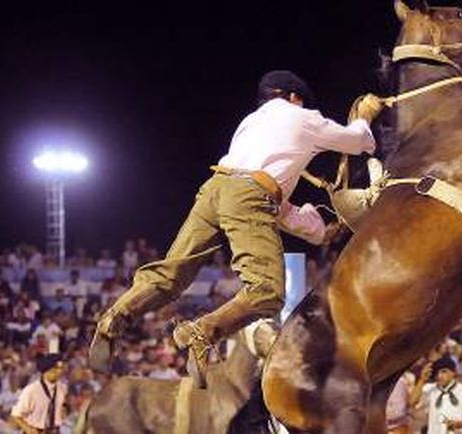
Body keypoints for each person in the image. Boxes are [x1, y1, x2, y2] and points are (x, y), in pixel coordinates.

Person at [88, 70, 384, 387]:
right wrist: (364, 117)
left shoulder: (250, 123)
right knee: (267, 292)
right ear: (295, 97)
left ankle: (115, 317)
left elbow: (270, 203)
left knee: (171, 274)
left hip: (215, 189)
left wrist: (316, 228)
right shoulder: (303, 116)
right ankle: (201, 333)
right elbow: (360, 143)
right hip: (249, 195)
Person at [411, 358, 462, 434]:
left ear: (453, 372)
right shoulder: (429, 389)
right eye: (437, 373)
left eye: (444, 372)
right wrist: (422, 380)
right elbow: (412, 402)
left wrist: (457, 424)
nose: (439, 376)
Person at [10, 354, 67, 434]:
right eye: (55, 369)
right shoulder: (31, 390)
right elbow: (16, 414)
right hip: (36, 430)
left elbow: (63, 407)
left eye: (61, 368)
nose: (59, 371)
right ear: (46, 370)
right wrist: (28, 429)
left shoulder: (63, 388)